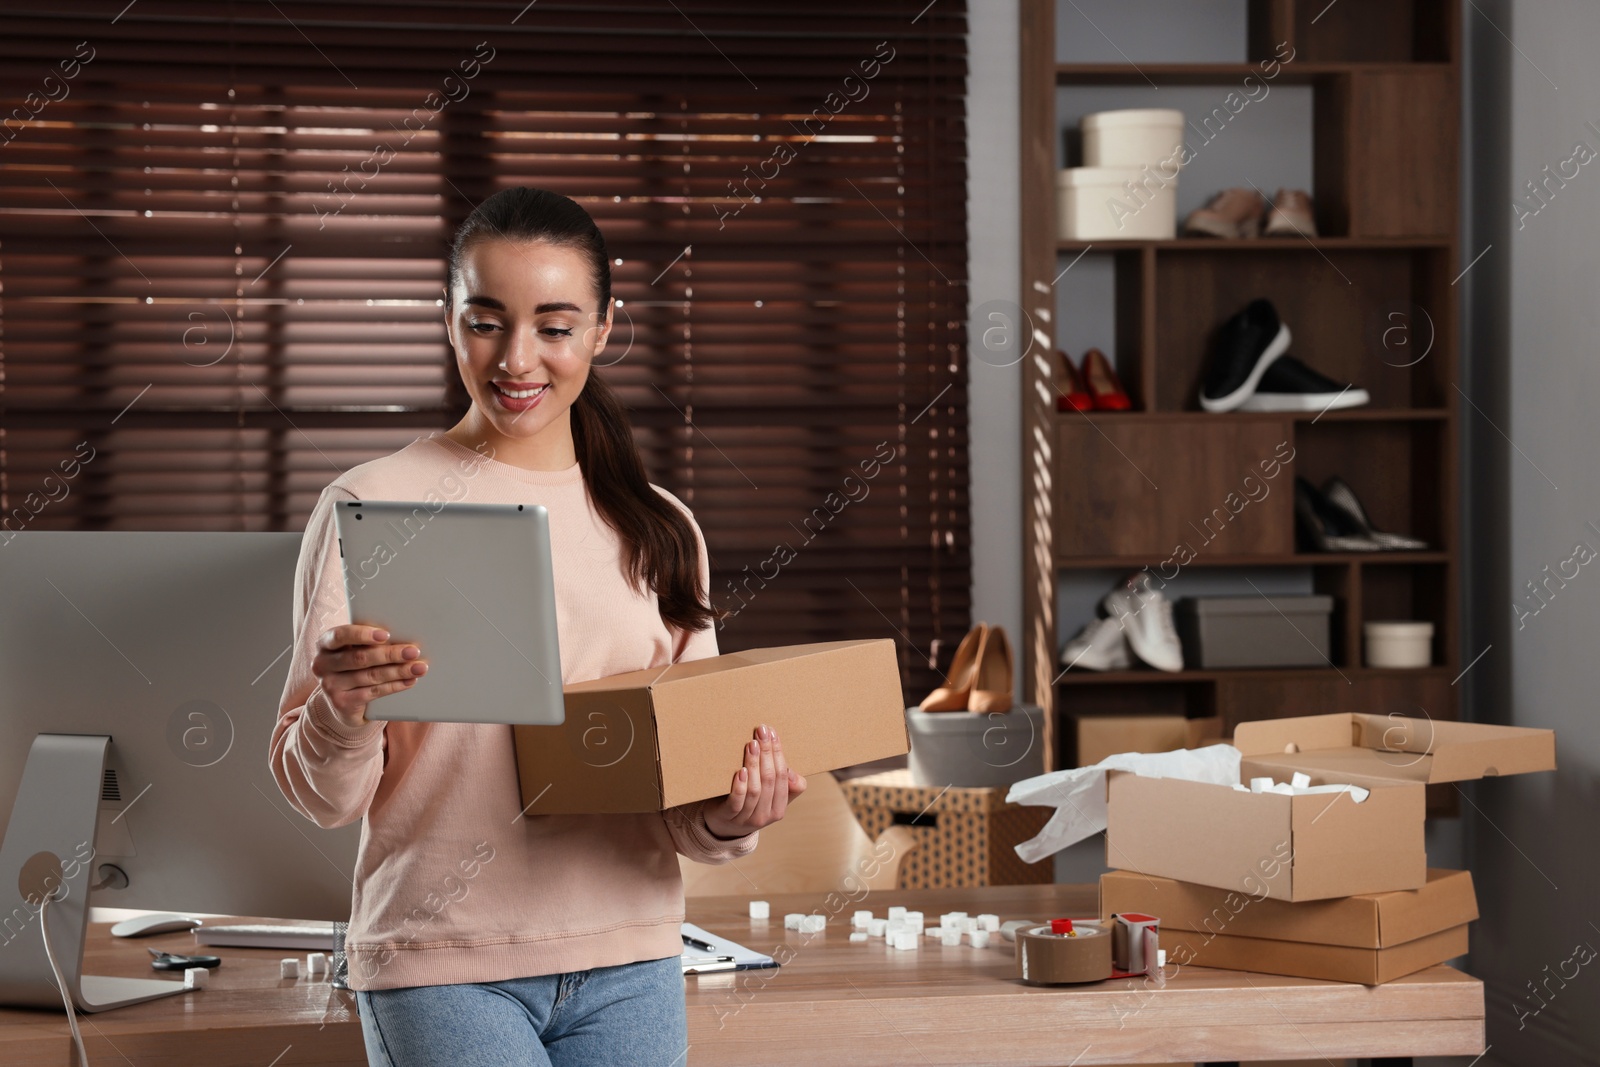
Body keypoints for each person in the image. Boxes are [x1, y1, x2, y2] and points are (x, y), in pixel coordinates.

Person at [270, 187, 805, 1067]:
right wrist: (341, 707)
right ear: (449, 321)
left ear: (601, 330)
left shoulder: (658, 525)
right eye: (487, 321)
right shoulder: (370, 506)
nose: (518, 358)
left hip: (632, 956)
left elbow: (688, 801)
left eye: (555, 326)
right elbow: (322, 799)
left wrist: (733, 811)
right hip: (441, 965)